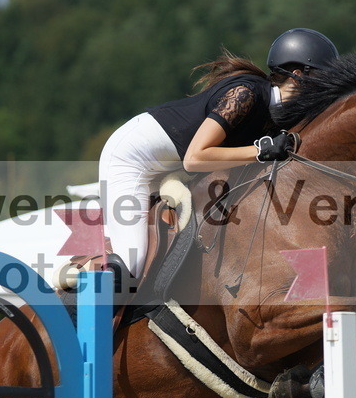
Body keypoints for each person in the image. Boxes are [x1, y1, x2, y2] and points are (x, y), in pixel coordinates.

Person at [98, 27, 339, 279]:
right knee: (132, 264)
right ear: (297, 76)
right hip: (131, 160)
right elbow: (195, 158)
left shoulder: (278, 115)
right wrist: (260, 151)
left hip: (169, 165)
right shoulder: (245, 94)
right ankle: (81, 301)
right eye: (321, 81)